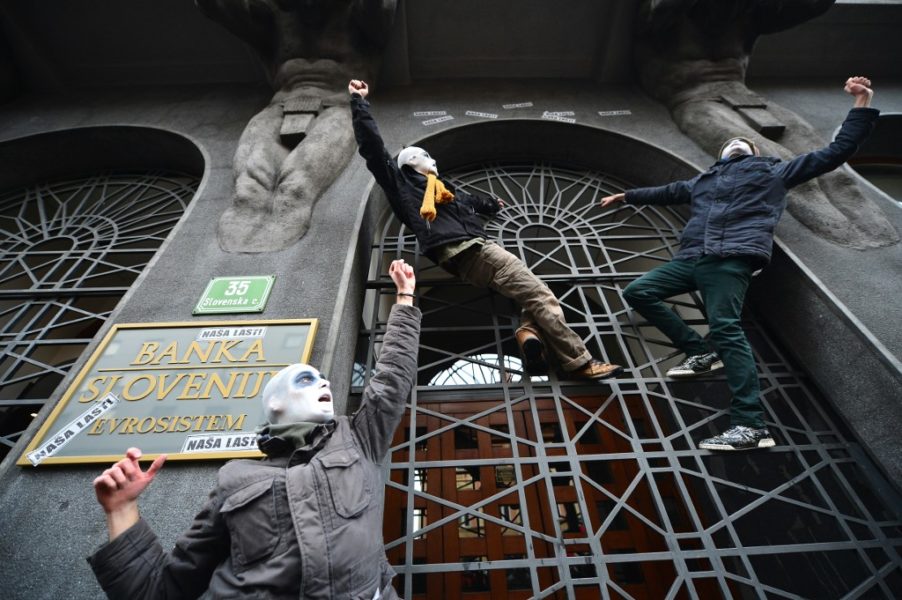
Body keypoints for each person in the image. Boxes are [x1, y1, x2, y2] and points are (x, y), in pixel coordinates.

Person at [88, 259, 421, 599]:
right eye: (307, 379)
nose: (324, 382)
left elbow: (391, 383)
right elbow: (164, 590)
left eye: (323, 379)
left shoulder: (356, 438)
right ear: (274, 404)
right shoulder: (234, 478)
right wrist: (121, 510)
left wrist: (405, 297)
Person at [600, 76, 879, 451]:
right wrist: (627, 196)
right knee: (639, 290)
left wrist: (861, 102)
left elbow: (836, 151)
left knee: (726, 327)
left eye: (741, 142)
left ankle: (751, 425)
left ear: (753, 152)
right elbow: (666, 192)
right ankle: (701, 351)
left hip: (730, 259)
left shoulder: (773, 172)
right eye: (729, 143)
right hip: (692, 258)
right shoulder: (703, 181)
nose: (734, 143)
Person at [348, 78, 622, 381]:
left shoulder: (443, 190)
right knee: (543, 296)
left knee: (533, 294)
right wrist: (359, 103)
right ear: (411, 162)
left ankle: (528, 333)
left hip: (469, 258)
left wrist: (491, 204)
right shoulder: (402, 186)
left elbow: (469, 201)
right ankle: (579, 362)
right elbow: (373, 149)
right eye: (427, 156)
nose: (434, 159)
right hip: (472, 250)